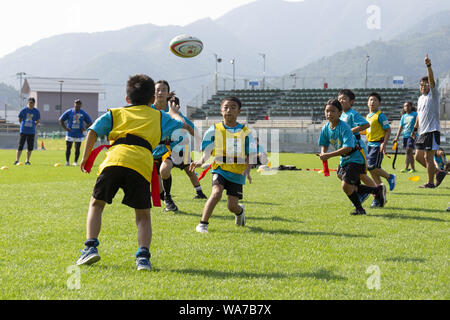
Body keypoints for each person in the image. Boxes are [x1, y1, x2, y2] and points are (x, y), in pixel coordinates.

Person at [75, 74, 193, 271]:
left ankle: (90, 248)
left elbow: (93, 131)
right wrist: (173, 113)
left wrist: (86, 157)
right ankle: (143, 259)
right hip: (140, 165)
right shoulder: (160, 116)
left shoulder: (116, 113)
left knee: (96, 204)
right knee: (143, 215)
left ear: (127, 99)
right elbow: (186, 128)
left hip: (114, 161)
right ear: (152, 100)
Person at [189, 96, 256, 233]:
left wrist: (248, 169)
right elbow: (207, 150)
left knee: (232, 206)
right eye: (226, 107)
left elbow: (251, 153)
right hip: (219, 168)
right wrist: (201, 161)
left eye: (233, 107)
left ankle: (240, 211)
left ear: (239, 111)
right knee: (216, 193)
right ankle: (203, 224)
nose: (229, 110)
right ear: (221, 110)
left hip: (237, 172)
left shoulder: (245, 132)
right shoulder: (214, 129)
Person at [317, 99, 386, 216]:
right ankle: (376, 190)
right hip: (344, 158)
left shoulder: (344, 127)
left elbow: (348, 148)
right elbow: (324, 143)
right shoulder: (325, 128)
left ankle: (360, 209)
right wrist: (323, 152)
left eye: (333, 111)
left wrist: (328, 155)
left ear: (339, 113)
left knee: (346, 186)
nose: (329, 114)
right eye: (327, 111)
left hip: (355, 157)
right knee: (344, 180)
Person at [151, 81, 204, 212]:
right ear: (153, 93)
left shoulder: (173, 111)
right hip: (154, 151)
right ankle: (168, 202)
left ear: (167, 93)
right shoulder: (148, 110)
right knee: (156, 182)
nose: (160, 92)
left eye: (163, 90)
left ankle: (172, 198)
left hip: (174, 149)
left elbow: (190, 128)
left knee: (168, 170)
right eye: (157, 90)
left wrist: (200, 143)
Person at [338, 89, 381, 206]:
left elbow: (366, 124)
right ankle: (365, 192)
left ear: (351, 101)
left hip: (357, 149)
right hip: (346, 150)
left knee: (361, 175)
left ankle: (377, 196)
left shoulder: (352, 114)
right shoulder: (340, 114)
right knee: (340, 175)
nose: (341, 100)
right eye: (339, 98)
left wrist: (351, 130)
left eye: (344, 98)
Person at [412, 54, 446, 188]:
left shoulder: (434, 94)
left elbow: (431, 80)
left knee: (428, 157)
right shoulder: (420, 98)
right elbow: (419, 115)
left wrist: (428, 66)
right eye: (421, 85)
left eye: (425, 84)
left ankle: (431, 182)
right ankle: (438, 172)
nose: (423, 87)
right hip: (422, 132)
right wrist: (415, 129)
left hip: (432, 130)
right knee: (418, 157)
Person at [365, 92, 396, 201]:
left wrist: (384, 144)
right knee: (372, 171)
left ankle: (390, 177)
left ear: (379, 103)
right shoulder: (368, 116)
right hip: (369, 145)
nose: (372, 102)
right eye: (370, 100)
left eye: (375, 100)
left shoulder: (380, 115)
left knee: (372, 167)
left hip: (377, 145)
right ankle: (380, 195)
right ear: (367, 102)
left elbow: (388, 130)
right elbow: (368, 131)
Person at [59, 99, 93, 166]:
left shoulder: (83, 113)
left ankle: (75, 162)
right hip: (70, 133)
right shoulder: (69, 112)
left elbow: (90, 122)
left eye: (79, 104)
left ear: (81, 105)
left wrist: (84, 128)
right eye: (76, 103)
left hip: (79, 134)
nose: (77, 105)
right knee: (68, 147)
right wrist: (65, 128)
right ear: (74, 104)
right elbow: (61, 119)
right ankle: (67, 161)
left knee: (77, 148)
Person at [393, 102, 418, 173]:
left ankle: (406, 168)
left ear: (411, 106)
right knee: (409, 152)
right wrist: (396, 137)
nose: (406, 107)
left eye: (407, 106)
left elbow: (418, 123)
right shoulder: (403, 116)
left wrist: (415, 132)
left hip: (412, 135)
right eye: (405, 106)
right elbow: (400, 127)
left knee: (408, 150)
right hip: (405, 136)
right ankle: (413, 169)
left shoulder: (415, 114)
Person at [14, 97, 40, 165]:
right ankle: (17, 160)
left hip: (31, 131)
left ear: (34, 103)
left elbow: (37, 120)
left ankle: (27, 161)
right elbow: (19, 119)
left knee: (30, 147)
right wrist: (23, 125)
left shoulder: (36, 111)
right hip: (23, 131)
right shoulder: (23, 110)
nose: (31, 104)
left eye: (32, 103)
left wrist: (34, 125)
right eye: (30, 103)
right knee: (20, 146)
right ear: (27, 103)